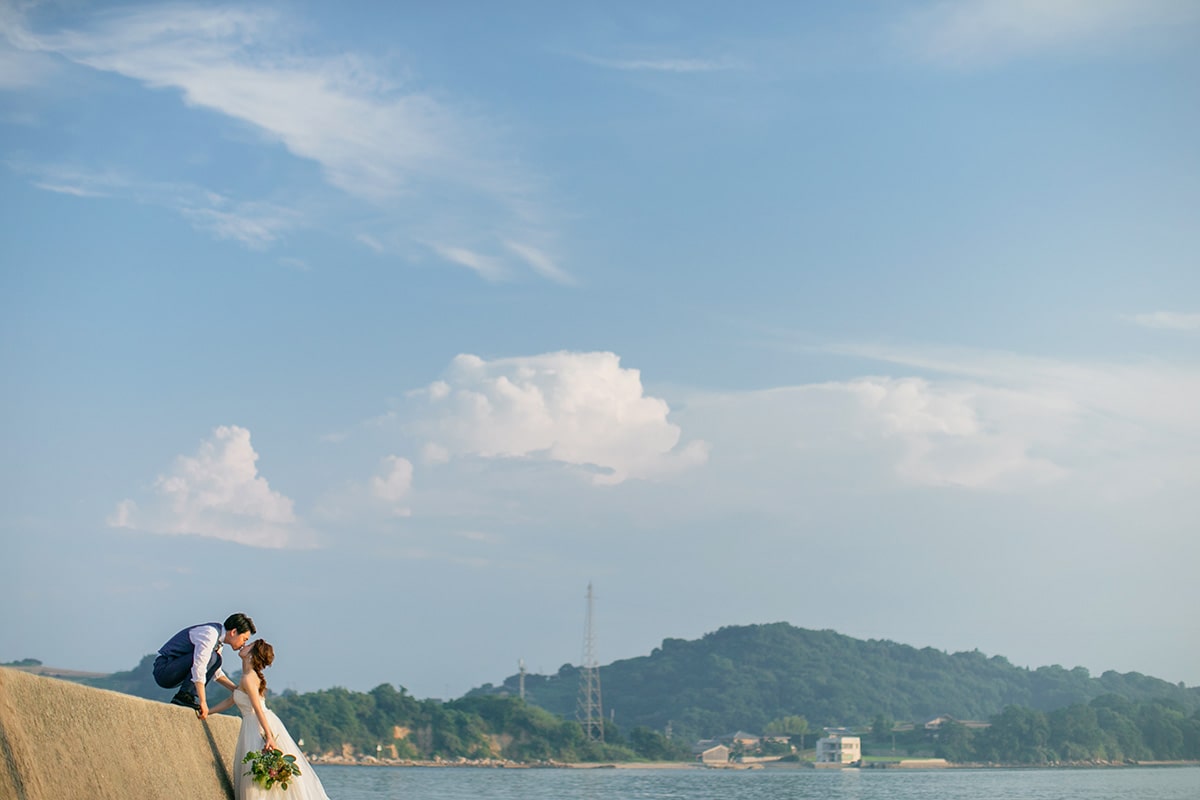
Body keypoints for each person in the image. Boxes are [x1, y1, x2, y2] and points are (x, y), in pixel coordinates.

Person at [210, 640, 330, 800]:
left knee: (258, 776)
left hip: (257, 725)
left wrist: (269, 736)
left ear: (252, 655)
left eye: (248, 646)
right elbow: (231, 700)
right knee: (259, 776)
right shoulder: (246, 676)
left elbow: (258, 708)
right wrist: (206, 711)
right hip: (253, 724)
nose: (243, 646)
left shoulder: (248, 678)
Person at [153, 613, 255, 719]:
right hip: (164, 669)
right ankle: (184, 696)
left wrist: (235, 689)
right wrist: (203, 701)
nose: (243, 644)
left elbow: (216, 673)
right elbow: (199, 667)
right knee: (213, 658)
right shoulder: (210, 634)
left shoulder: (218, 642)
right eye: (244, 639)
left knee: (216, 659)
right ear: (234, 632)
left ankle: (188, 696)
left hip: (174, 669)